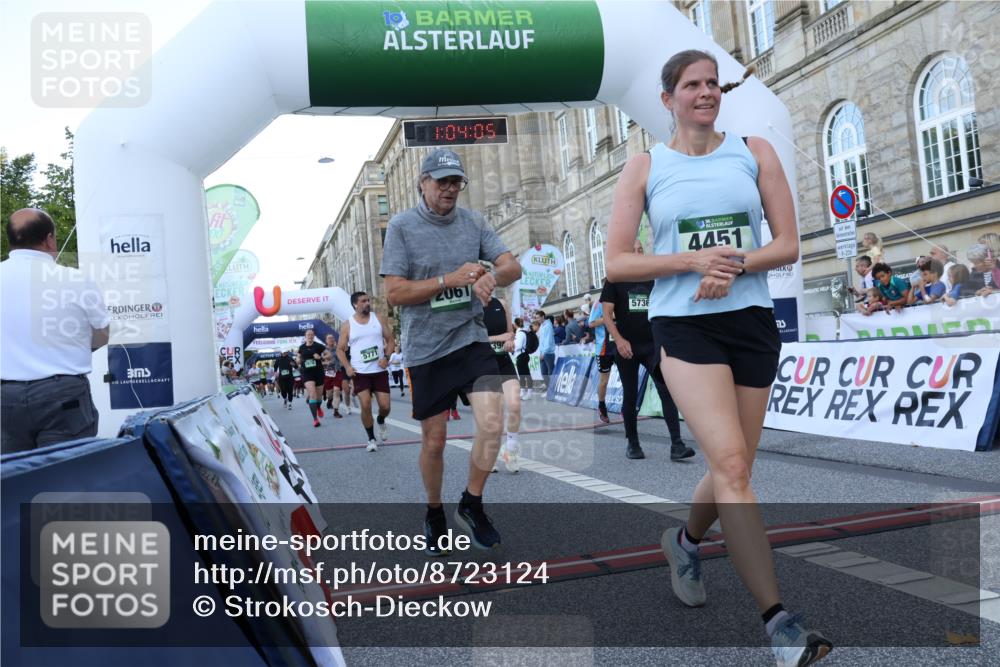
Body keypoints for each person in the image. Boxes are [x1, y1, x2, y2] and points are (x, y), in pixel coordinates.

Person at [605, 50, 832, 666]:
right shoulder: (645, 167)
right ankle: (781, 626)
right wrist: (691, 262)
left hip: (752, 322)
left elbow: (786, 245)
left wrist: (729, 265)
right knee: (732, 466)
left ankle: (684, 541)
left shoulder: (754, 151)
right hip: (684, 326)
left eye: (712, 83)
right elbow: (618, 264)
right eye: (691, 85)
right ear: (667, 98)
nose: (705, 93)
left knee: (734, 466)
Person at [380, 148, 521, 554]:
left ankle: (472, 504)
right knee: (435, 441)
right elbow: (395, 293)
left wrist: (490, 276)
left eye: (456, 181)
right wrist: (449, 279)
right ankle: (434, 512)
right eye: (441, 181)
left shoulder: (473, 222)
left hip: (470, 338)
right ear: (422, 183)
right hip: (426, 348)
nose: (449, 189)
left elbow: (513, 265)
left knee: (493, 422)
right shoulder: (402, 227)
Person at [1, 208, 111, 453]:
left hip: (5, 398)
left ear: (11, 239)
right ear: (49, 239)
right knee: (65, 481)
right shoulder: (75, 279)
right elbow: (103, 333)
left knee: (10, 481)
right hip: (63, 396)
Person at [601, 240, 696, 461]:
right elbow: (606, 315)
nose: (637, 253)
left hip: (652, 344)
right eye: (632, 250)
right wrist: (619, 340)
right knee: (631, 393)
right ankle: (633, 444)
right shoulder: (615, 278)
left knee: (666, 389)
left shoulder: (652, 276)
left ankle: (677, 444)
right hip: (626, 346)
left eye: (640, 250)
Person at [337, 291, 394, 452]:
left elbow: (390, 340)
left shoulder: (378, 319)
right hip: (360, 372)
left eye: (368, 300)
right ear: (355, 304)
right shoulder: (348, 325)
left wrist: (387, 357)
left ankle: (381, 420)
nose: (367, 303)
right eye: (363, 301)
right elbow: (340, 350)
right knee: (366, 404)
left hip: (379, 370)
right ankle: (371, 439)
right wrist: (348, 367)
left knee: (385, 406)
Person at [484, 296, 522, 473]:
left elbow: (510, 333)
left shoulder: (502, 303)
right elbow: (472, 337)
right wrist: (500, 337)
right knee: (494, 414)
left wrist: (509, 341)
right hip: (483, 362)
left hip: (503, 360)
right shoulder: (471, 304)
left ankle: (511, 450)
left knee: (514, 405)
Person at [586, 294, 616, 424]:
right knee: (604, 381)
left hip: (620, 344)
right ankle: (602, 406)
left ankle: (628, 408)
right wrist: (608, 318)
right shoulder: (599, 303)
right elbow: (591, 323)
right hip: (604, 348)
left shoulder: (621, 298)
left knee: (628, 378)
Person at [297, 329, 327, 427]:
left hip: (318, 372)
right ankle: (315, 419)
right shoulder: (301, 347)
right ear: (305, 336)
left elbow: (329, 354)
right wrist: (299, 360)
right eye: (308, 334)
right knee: (312, 394)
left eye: (312, 334)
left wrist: (321, 358)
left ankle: (318, 407)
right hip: (307, 373)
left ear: (314, 336)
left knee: (319, 397)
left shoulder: (318, 346)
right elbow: (297, 358)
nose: (310, 336)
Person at [534, 309, 556, 386]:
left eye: (538, 317)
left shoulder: (548, 326)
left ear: (543, 316)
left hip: (548, 353)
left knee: (550, 372)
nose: (537, 319)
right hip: (543, 352)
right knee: (544, 373)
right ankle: (549, 388)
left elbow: (548, 341)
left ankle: (552, 389)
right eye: (536, 318)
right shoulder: (542, 326)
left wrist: (544, 352)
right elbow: (541, 339)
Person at [513, 317, 533, 399]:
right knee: (522, 374)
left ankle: (529, 393)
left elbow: (519, 345)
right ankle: (523, 391)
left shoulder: (520, 333)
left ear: (515, 324)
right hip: (521, 355)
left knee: (525, 374)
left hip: (522, 355)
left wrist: (512, 347)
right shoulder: (519, 332)